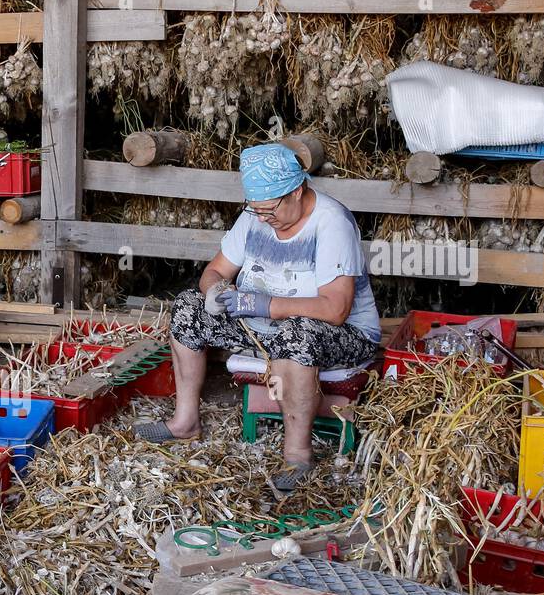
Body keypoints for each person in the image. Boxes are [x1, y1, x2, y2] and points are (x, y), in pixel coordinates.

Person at [134, 142, 381, 493]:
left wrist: (264, 305)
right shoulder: (254, 218)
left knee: (297, 332)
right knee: (189, 308)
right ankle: (185, 422)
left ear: (297, 190)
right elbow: (215, 270)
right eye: (256, 210)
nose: (264, 218)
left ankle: (298, 455)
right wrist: (214, 292)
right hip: (267, 326)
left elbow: (334, 309)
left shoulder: (331, 223)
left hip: (342, 333)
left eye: (270, 210)